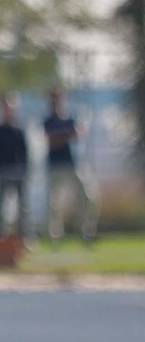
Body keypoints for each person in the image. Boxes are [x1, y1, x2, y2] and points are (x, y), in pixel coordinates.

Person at [43, 86, 96, 245]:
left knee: (86, 197)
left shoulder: (70, 119)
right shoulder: (48, 121)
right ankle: (54, 238)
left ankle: (86, 234)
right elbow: (52, 141)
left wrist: (69, 133)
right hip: (54, 167)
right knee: (53, 204)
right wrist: (67, 134)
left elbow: (79, 134)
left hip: (72, 165)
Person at [0, 93, 30, 238]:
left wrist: (25, 169)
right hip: (2, 173)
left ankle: (23, 236)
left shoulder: (19, 131)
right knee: (0, 208)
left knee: (22, 208)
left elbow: (25, 153)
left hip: (18, 173)